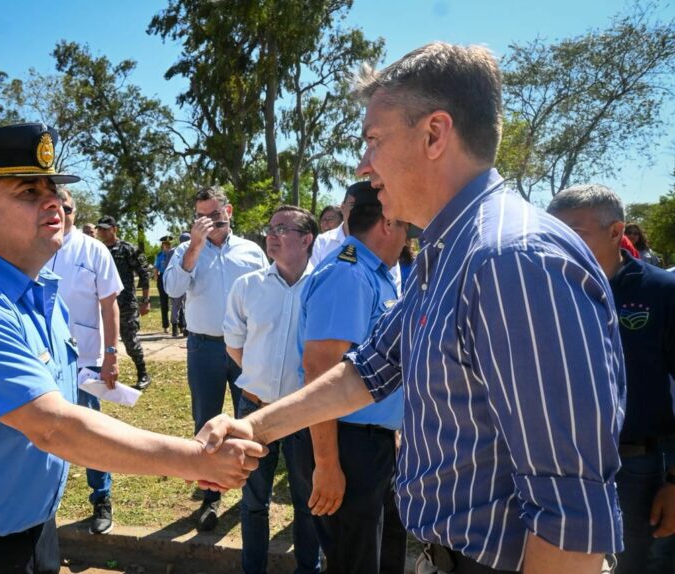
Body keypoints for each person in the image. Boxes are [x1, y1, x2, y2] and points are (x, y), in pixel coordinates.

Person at [198, 43, 625, 574]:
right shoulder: (449, 253)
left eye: (373, 140)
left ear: (435, 134)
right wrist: (255, 428)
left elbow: (569, 514)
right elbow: (369, 369)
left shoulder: (511, 260)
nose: (364, 166)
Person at [0, 122, 265, 574]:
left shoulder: (39, 289)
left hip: (30, 532)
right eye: (28, 192)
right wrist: (193, 459)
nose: (52, 201)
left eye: (52, 189)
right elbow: (53, 427)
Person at [547, 184, 675, 574]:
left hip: (637, 469)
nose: (560, 244)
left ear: (616, 231)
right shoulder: (548, 290)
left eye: (575, 232)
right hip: (560, 468)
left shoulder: (660, 291)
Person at [297, 183, 410, 574]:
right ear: (387, 222)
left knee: (382, 558)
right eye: (405, 227)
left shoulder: (373, 272)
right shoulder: (348, 273)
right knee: (356, 562)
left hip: (372, 443)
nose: (407, 239)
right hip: (346, 444)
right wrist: (327, 463)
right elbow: (319, 372)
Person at [165, 185, 268, 530]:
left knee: (250, 419)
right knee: (206, 421)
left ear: (229, 210)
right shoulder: (186, 250)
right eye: (201, 217)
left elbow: (267, 293)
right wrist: (194, 247)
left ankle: (253, 496)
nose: (209, 221)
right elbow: (173, 289)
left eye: (215, 214)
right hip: (204, 347)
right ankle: (211, 497)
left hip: (247, 348)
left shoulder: (252, 251)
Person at [224, 205, 320, 574]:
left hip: (302, 413)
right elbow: (234, 344)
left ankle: (307, 569)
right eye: (271, 228)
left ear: (306, 239)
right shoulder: (248, 286)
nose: (271, 235)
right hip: (255, 410)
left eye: (282, 228)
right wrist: (259, 375)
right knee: (253, 501)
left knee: (306, 501)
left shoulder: (321, 286)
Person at [46, 189, 123, 536]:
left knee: (89, 432)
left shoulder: (94, 250)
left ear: (75, 211)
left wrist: (111, 354)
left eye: (66, 207)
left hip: (85, 359)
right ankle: (43, 504)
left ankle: (101, 497)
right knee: (42, 431)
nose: (60, 212)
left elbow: (109, 306)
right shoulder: (33, 246)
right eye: (53, 206)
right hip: (42, 360)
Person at [96, 216, 152, 390]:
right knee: (100, 341)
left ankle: (143, 373)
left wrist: (145, 300)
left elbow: (144, 273)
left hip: (126, 303)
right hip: (102, 304)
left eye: (105, 228)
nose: (102, 232)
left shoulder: (128, 249)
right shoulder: (97, 249)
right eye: (100, 229)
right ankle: (101, 374)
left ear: (114, 229)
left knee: (130, 341)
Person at [310, 189, 356, 266]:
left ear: (341, 219)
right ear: (343, 207)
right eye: (323, 220)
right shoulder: (320, 241)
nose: (325, 223)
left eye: (329, 219)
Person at [169, 232, 190, 338]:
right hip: (187, 282)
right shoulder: (192, 250)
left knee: (175, 306)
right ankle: (186, 328)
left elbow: (168, 267)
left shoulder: (172, 251)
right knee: (188, 305)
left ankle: (174, 329)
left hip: (175, 282)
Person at [154, 236, 174, 334]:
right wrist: (156, 276)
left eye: (169, 244)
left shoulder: (175, 254)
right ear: (162, 245)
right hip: (162, 277)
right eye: (166, 244)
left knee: (176, 302)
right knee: (164, 302)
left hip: (173, 277)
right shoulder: (159, 255)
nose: (168, 246)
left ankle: (179, 325)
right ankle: (165, 326)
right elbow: (156, 267)